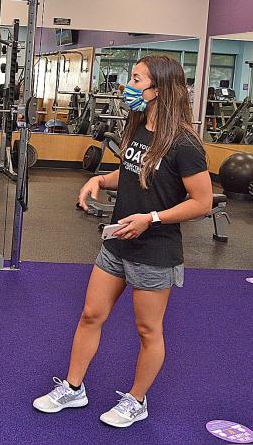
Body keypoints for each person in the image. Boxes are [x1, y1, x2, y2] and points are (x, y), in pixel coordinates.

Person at [33, 55, 212, 427]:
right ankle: (74, 387)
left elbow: (202, 202)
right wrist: (99, 180)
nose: (128, 85)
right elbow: (131, 170)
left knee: (148, 331)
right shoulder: (138, 124)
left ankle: (136, 400)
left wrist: (153, 218)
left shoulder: (185, 144)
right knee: (91, 315)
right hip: (117, 241)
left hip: (155, 249)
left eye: (136, 78)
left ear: (158, 88)